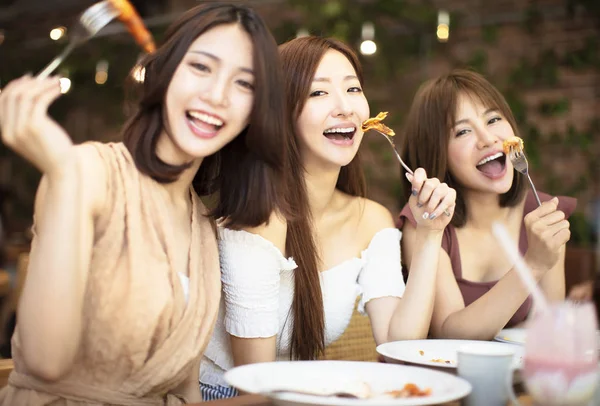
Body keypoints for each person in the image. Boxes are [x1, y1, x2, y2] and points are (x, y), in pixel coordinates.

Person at [0, 3, 291, 404]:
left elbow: (186, 393)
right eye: (201, 68)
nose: (217, 95)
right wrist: (64, 177)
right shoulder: (87, 172)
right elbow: (45, 361)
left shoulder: (204, 227)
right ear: (164, 72)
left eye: (245, 85)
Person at [198, 36, 456, 400]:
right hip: (229, 395)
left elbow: (399, 347)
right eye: (319, 93)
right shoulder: (255, 222)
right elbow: (255, 384)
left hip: (296, 394)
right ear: (281, 114)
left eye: (353, 88)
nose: (345, 107)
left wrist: (430, 234)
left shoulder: (371, 219)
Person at [397, 69, 576, 340]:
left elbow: (549, 329)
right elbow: (448, 333)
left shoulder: (543, 213)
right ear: (437, 153)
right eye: (463, 131)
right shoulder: (425, 222)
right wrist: (533, 264)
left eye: (493, 119)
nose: (488, 138)